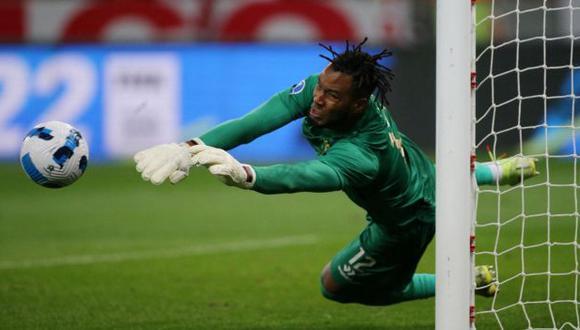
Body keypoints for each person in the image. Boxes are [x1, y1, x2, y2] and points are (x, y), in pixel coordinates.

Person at [133, 39, 538, 306]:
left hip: (407, 218)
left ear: (358, 105)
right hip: (419, 169)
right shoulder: (323, 89)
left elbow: (308, 176)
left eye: (332, 96)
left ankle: (466, 280)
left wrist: (248, 176)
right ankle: (493, 171)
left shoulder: (362, 153)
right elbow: (255, 122)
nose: (318, 99)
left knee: (336, 286)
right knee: (434, 175)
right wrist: (187, 148)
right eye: (321, 88)